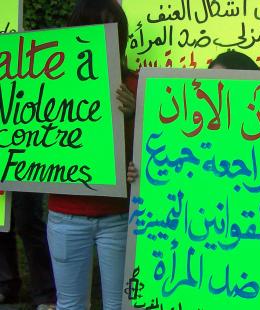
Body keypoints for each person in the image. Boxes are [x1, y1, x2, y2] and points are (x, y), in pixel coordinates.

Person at [45, 1, 138, 309]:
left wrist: (136, 116)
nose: (106, 37)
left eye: (114, 30)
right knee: (70, 305)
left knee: (119, 306)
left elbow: (163, 148)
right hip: (66, 214)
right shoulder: (51, 84)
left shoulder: (138, 84)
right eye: (95, 28)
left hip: (120, 217)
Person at [0, 193, 56, 310]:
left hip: (22, 179)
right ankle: (6, 285)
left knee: (29, 223)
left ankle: (45, 293)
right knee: (1, 225)